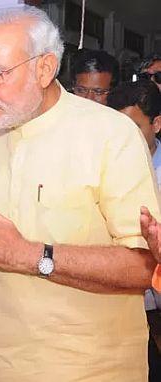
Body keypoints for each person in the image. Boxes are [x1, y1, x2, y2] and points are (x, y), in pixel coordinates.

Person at [0, 6, 160, 381]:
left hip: (87, 368)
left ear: (44, 69)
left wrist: (31, 255)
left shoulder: (111, 135)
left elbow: (143, 267)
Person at [109, 81, 161, 381]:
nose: (123, 138)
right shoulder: (102, 163)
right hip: (119, 307)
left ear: (156, 123)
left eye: (134, 127)